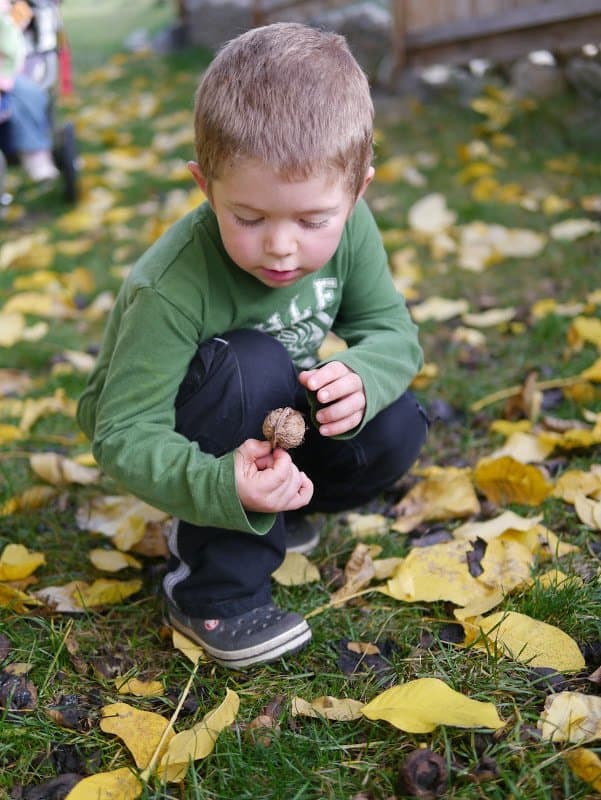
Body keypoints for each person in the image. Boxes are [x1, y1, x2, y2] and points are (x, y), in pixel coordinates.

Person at [77, 23, 428, 670]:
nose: (281, 246)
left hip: (272, 416)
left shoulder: (351, 231)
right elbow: (121, 430)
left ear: (358, 192)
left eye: (312, 220)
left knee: (397, 420)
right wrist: (216, 481)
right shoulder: (172, 286)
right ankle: (211, 591)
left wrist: (360, 374)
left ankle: (288, 505)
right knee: (254, 361)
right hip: (191, 423)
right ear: (204, 186)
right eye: (249, 217)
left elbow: (392, 334)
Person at [0, 0, 59, 183]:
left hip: (9, 74)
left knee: (29, 94)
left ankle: (35, 153)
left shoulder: (11, 16)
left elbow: (11, 53)